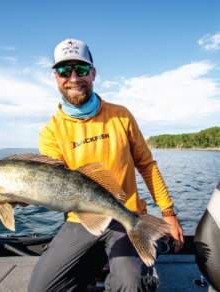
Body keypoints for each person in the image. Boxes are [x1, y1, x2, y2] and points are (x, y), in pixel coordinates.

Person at [28, 38, 184, 292]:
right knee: (41, 289)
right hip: (80, 220)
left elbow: (147, 165)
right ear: (55, 77)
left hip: (126, 214)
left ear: (93, 73)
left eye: (81, 69)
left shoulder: (121, 115)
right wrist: (21, 196)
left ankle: (134, 263)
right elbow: (53, 182)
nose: (74, 77)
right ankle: (100, 259)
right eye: (65, 71)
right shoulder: (50, 132)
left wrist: (169, 213)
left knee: (131, 285)